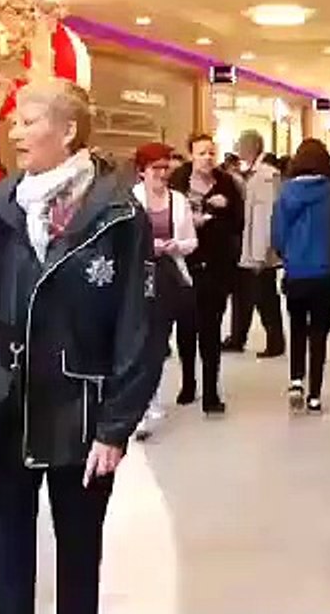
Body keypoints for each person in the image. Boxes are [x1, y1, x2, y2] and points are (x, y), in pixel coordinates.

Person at [0, 79, 158, 614]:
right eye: (16, 122)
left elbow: (138, 327)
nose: (15, 132)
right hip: (5, 405)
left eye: (28, 121)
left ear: (69, 130)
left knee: (79, 556)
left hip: (81, 412)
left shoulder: (118, 215)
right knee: (5, 551)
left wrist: (116, 425)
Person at [169, 135, 243, 415]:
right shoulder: (178, 181)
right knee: (186, 327)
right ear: (191, 155)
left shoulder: (226, 183)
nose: (207, 158)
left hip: (216, 264)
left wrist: (217, 214)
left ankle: (211, 391)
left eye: (212, 152)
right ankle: (189, 383)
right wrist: (192, 221)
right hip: (185, 264)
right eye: (201, 153)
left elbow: (238, 221)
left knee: (211, 328)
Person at [131, 142, 198, 440]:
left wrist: (175, 246)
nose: (161, 173)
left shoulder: (179, 200)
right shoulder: (130, 200)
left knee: (163, 339)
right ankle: (144, 403)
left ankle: (161, 393)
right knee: (144, 340)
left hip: (170, 274)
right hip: (139, 279)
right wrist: (149, 247)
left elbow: (191, 241)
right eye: (155, 168)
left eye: (165, 167)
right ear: (141, 171)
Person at [272, 138, 330, 413]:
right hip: (327, 271)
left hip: (297, 271)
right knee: (319, 332)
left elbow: (278, 233)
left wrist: (287, 254)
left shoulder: (287, 193)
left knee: (297, 327)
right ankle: (315, 394)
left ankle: (296, 380)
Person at [223, 130, 285, 357]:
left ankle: (275, 341)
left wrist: (260, 253)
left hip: (259, 248)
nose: (237, 149)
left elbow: (265, 217)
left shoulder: (266, 176)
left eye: (240, 144)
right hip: (250, 247)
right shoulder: (251, 173)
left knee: (265, 296)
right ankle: (240, 336)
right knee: (248, 294)